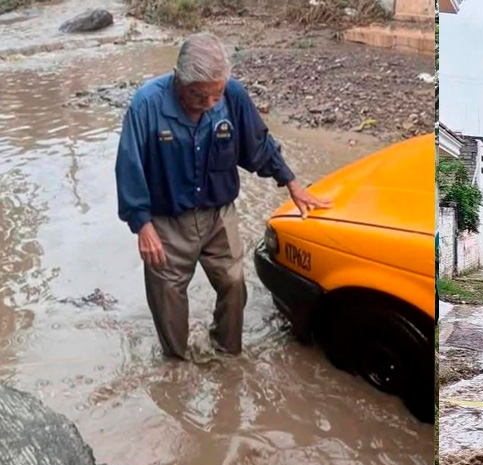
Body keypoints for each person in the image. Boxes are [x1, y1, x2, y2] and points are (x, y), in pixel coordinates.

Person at [114, 33, 331, 359]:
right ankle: (177, 364)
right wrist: (142, 225)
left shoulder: (232, 96)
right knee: (168, 296)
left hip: (219, 214)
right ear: (179, 79)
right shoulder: (146, 105)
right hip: (167, 222)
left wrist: (291, 182)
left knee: (233, 283)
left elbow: (257, 144)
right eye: (199, 95)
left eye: (216, 95)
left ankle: (226, 353)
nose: (210, 103)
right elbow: (129, 167)